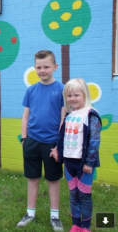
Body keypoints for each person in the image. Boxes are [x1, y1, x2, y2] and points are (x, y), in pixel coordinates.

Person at [17, 50, 65, 231]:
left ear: (55, 67)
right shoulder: (31, 90)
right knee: (33, 178)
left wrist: (59, 144)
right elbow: (25, 117)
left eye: (46, 66)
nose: (42, 70)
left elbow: (63, 119)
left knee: (53, 179)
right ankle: (30, 213)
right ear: (34, 68)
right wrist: (24, 138)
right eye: (39, 67)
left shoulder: (62, 90)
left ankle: (55, 216)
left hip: (52, 143)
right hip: (32, 142)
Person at [50, 78, 101, 232]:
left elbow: (94, 140)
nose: (72, 99)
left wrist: (89, 163)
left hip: (84, 164)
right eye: (69, 96)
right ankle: (76, 225)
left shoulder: (90, 114)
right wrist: (58, 151)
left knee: (84, 196)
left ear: (84, 95)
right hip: (69, 164)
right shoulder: (69, 115)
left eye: (76, 95)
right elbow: (62, 137)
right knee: (73, 195)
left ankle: (85, 227)